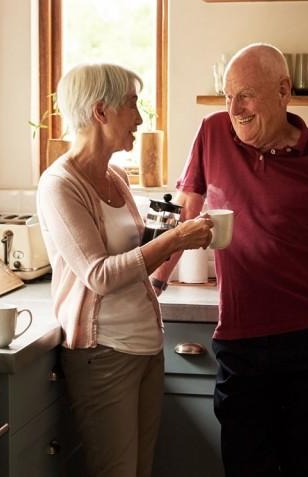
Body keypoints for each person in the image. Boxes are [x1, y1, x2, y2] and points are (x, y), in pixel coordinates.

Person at [152, 43, 308, 477]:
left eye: (247, 94)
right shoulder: (212, 133)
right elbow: (185, 216)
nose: (235, 107)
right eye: (228, 94)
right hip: (241, 344)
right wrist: (154, 285)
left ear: (284, 91)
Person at [36, 63, 213, 477]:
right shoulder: (59, 185)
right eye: (132, 105)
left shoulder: (115, 177)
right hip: (104, 355)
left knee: (140, 469)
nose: (139, 118)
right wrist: (176, 240)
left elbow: (134, 253)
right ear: (101, 112)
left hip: (146, 347)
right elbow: (97, 274)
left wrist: (162, 261)